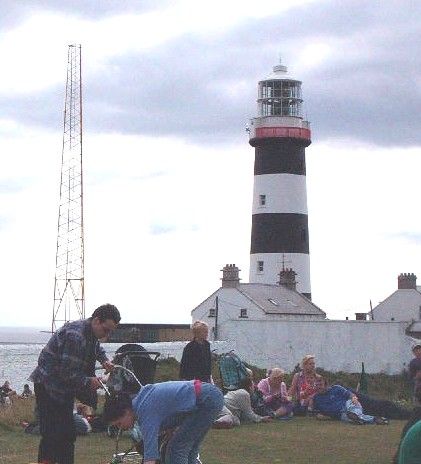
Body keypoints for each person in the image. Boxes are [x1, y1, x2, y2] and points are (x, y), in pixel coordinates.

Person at [30, 303, 121, 464]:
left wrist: (105, 360)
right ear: (97, 320)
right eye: (106, 330)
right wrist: (89, 382)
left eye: (110, 332)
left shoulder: (90, 332)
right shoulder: (76, 336)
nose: (107, 335)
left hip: (62, 389)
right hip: (48, 386)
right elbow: (67, 374)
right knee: (51, 435)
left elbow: (96, 348)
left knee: (67, 434)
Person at [102, 379, 223, 464]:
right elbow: (170, 408)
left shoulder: (144, 411)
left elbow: (150, 456)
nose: (121, 428)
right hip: (207, 397)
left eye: (119, 423)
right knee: (189, 450)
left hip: (206, 400)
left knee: (177, 449)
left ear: (126, 411)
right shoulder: (142, 401)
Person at [312, 378, 387, 425]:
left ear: (326, 385)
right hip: (340, 414)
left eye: (320, 385)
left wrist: (354, 398)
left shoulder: (336, 388)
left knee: (352, 411)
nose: (318, 387)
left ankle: (356, 416)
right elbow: (315, 412)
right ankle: (376, 419)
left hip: (349, 404)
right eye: (317, 385)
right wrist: (320, 416)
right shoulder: (316, 398)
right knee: (349, 418)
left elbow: (350, 394)